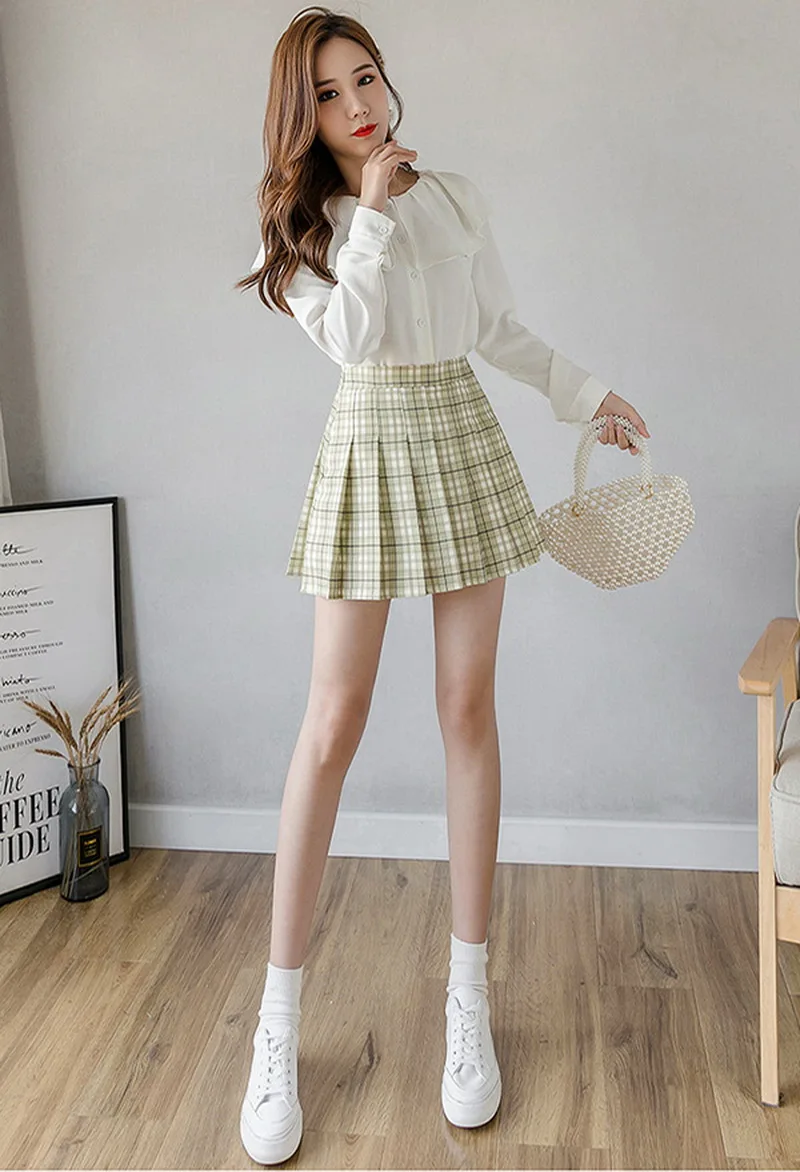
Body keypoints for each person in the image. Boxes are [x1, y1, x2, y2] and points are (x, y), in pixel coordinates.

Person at [235, 6, 649, 1164]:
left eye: (365, 77)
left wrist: (587, 395)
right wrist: (367, 211)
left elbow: (496, 328)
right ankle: (276, 1027)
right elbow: (354, 341)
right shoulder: (301, 227)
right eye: (328, 93)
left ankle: (468, 1001)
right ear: (301, 115)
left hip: (460, 437)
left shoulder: (455, 196)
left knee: (467, 709)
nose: (357, 104)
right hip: (369, 444)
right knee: (332, 724)